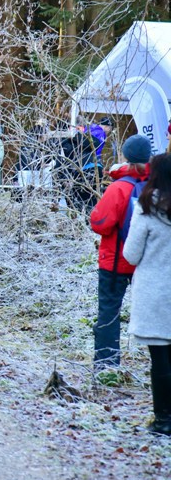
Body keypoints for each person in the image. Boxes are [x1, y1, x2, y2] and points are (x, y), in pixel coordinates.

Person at [89, 134, 152, 370]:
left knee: (109, 313)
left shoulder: (119, 187)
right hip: (146, 263)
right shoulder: (157, 187)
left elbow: (100, 223)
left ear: (125, 156)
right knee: (154, 316)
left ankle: (106, 366)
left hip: (114, 261)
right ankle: (158, 365)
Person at [122, 152, 171, 435]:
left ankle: (164, 420)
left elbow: (131, 254)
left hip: (155, 293)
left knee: (160, 361)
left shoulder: (147, 208)